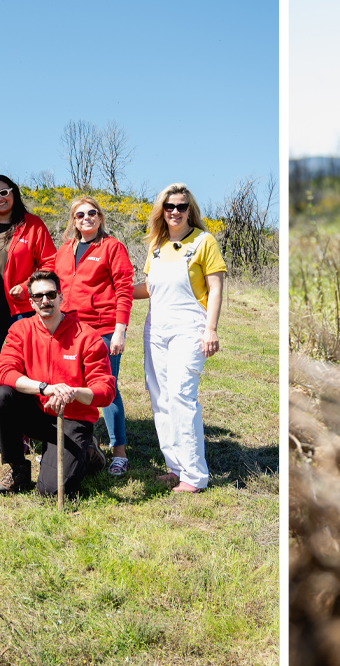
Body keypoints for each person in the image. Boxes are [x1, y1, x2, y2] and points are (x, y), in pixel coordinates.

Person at [133, 183, 226, 494]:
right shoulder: (157, 246)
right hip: (156, 329)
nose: (175, 211)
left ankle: (195, 475)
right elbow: (149, 288)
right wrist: (116, 290)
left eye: (181, 206)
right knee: (160, 398)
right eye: (169, 206)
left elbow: (215, 288)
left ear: (190, 210)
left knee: (181, 396)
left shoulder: (203, 242)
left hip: (189, 328)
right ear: (162, 210)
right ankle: (175, 467)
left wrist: (211, 329)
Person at [0, 271, 114, 498]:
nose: (45, 300)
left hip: (72, 418)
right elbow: (3, 372)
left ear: (61, 297)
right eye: (38, 296)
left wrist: (73, 392)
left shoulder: (87, 336)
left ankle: (88, 452)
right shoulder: (20, 330)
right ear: (31, 302)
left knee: (51, 492)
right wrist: (44, 388)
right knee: (0, 396)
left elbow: (105, 391)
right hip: (36, 412)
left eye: (51, 294)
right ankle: (18, 469)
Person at [0, 175, 55, 453]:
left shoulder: (32, 225)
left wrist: (29, 285)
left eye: (4, 192)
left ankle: (25, 429)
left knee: (23, 368)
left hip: (21, 309)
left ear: (14, 193)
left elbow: (50, 262)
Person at [54, 195, 135, 475]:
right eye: (80, 215)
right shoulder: (64, 251)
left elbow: (124, 289)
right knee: (70, 386)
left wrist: (120, 329)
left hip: (103, 330)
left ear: (99, 217)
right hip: (70, 329)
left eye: (91, 213)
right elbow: (54, 286)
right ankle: (80, 444)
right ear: (73, 221)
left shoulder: (111, 247)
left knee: (106, 389)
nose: (86, 218)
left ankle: (119, 452)